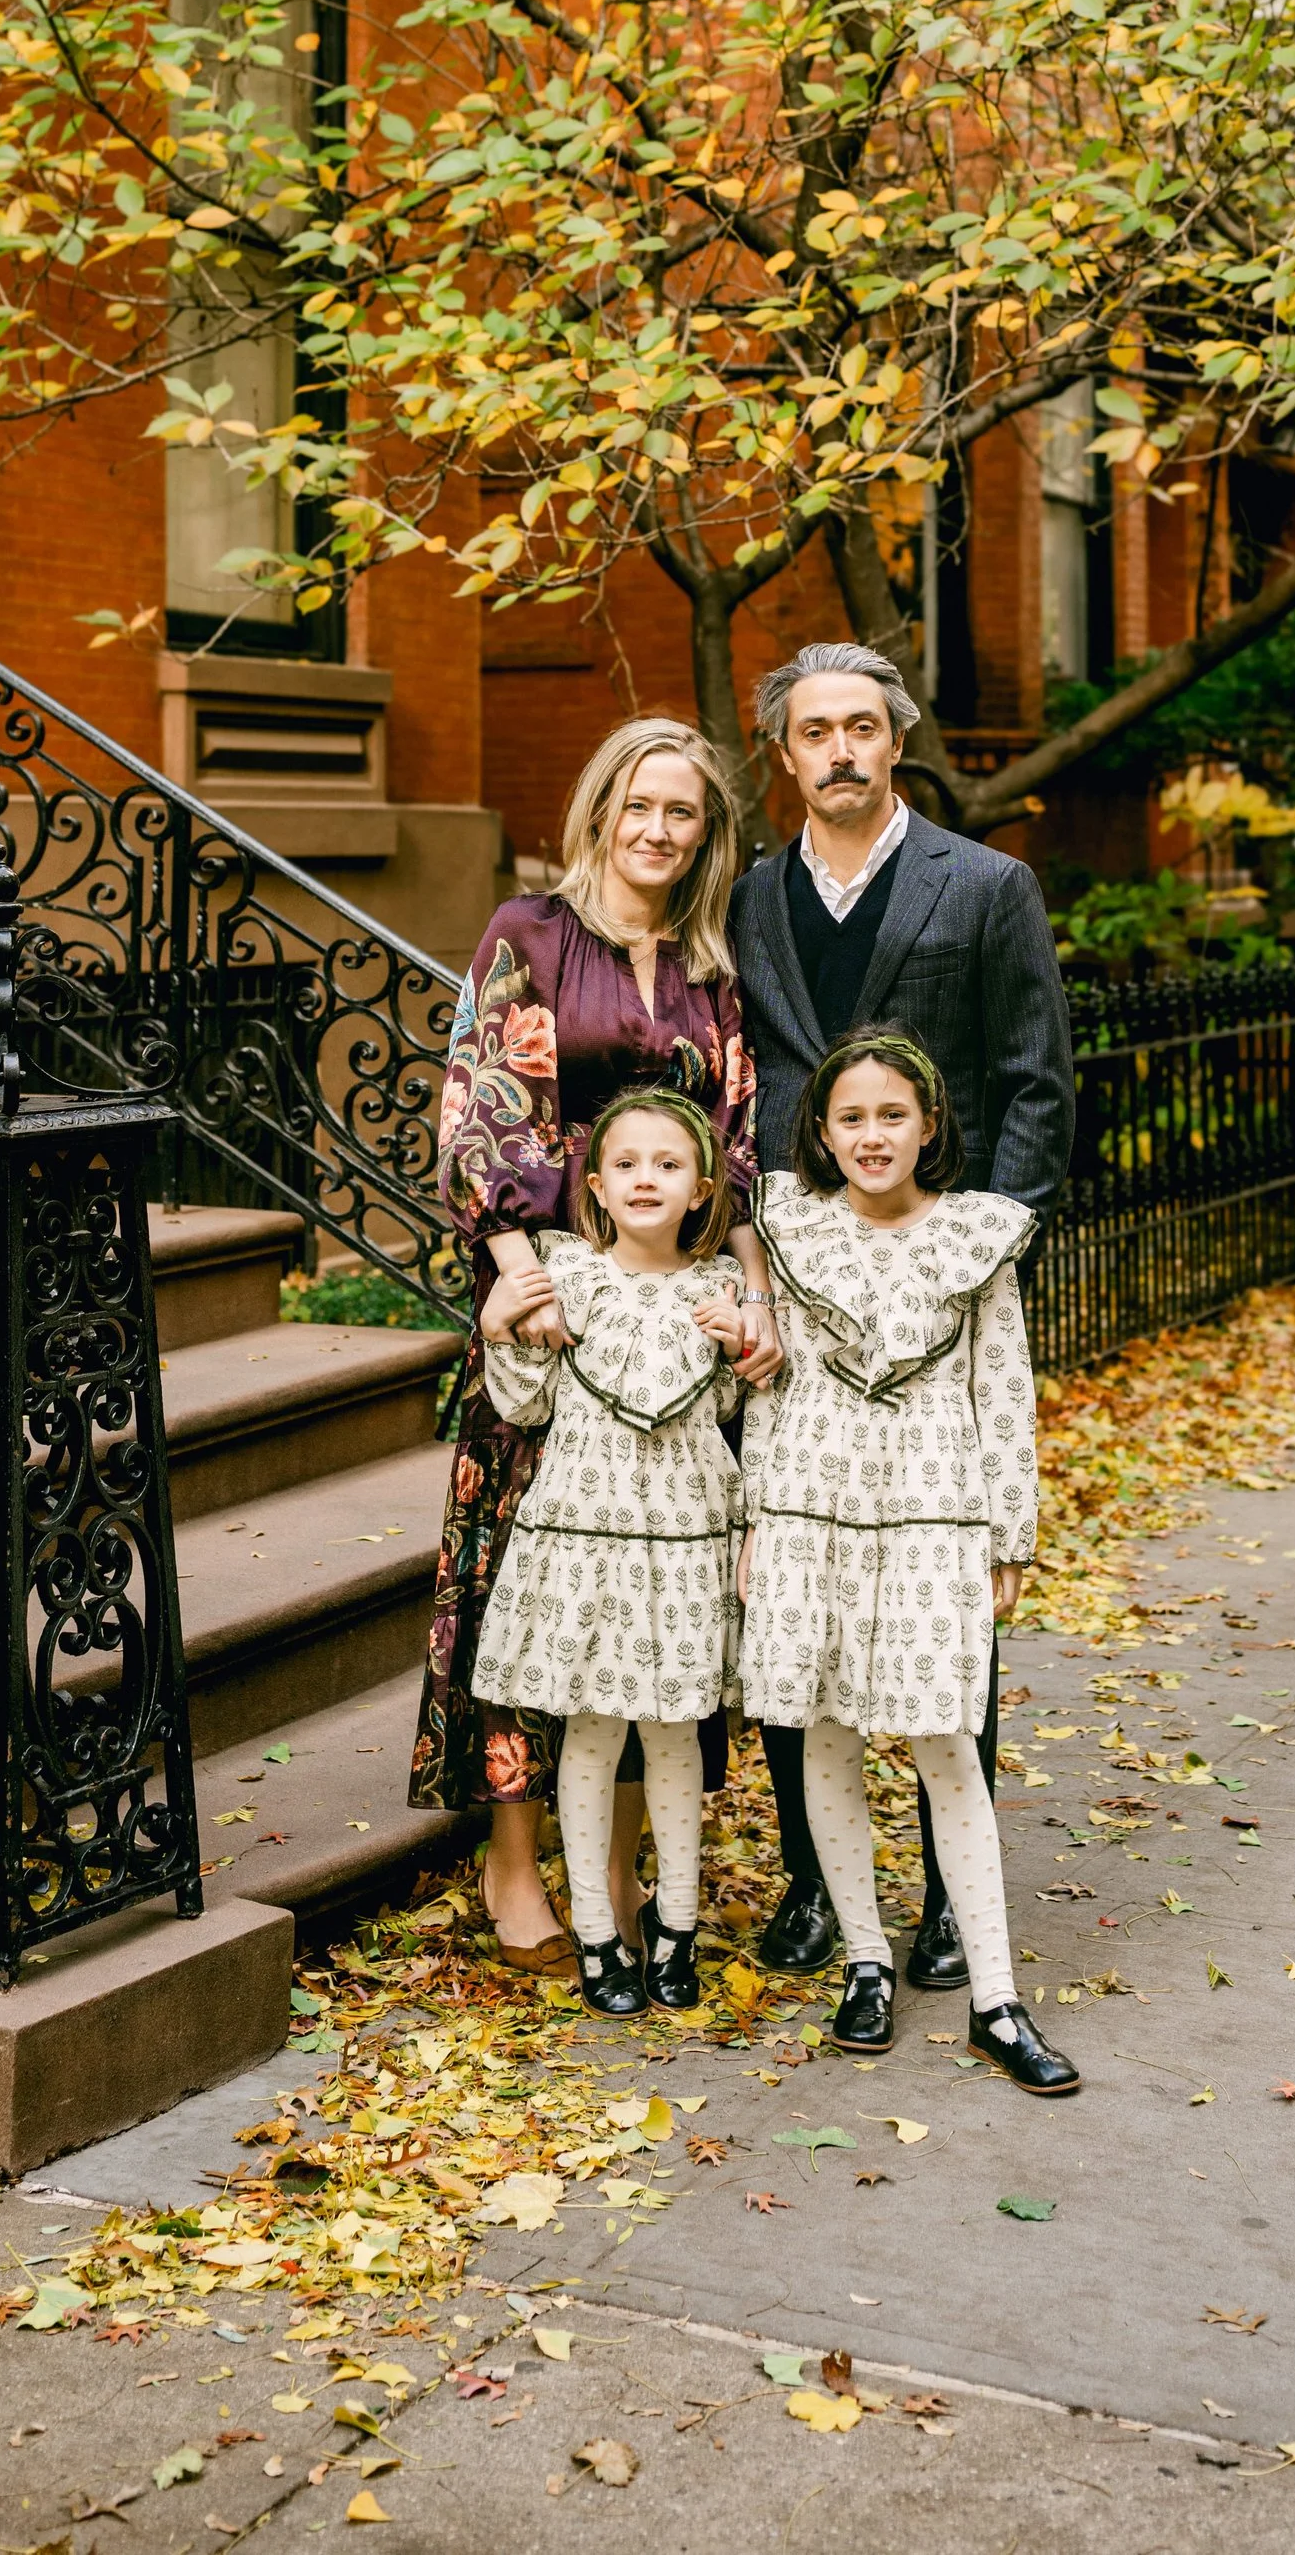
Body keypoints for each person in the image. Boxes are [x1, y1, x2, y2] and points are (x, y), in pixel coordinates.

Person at [728, 640, 1073, 1988]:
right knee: (796, 1600)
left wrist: (981, 1255)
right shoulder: (752, 895)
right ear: (786, 751)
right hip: (796, 1282)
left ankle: (945, 1899)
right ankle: (818, 1890)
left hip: (930, 1285)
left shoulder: (985, 885)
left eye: (864, 726)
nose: (842, 752)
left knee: (942, 1607)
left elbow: (1035, 1081)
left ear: (897, 737)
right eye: (816, 731)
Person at [409, 716, 777, 1967]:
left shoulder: (709, 975)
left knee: (653, 1612)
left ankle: (615, 1874)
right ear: (600, 808)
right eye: (639, 805)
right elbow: (480, 1116)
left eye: (683, 812)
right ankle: (516, 1868)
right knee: (530, 1598)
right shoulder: (531, 937)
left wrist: (753, 1294)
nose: (658, 830)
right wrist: (523, 1284)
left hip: (671, 1324)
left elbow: (732, 1150)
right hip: (548, 1310)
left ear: (706, 832)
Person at [740, 1028, 1078, 2094]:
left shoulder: (975, 1238)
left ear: (929, 1125)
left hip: (933, 1504)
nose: (872, 1135)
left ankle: (995, 1997)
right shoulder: (793, 1233)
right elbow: (767, 1386)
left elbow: (1004, 1391)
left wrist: (1008, 1529)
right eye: (851, 1118)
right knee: (827, 1734)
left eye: (893, 1115)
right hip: (810, 1502)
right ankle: (865, 1960)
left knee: (946, 1744)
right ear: (823, 1134)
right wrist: (755, 1521)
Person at [471, 1088, 749, 2015]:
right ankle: (595, 1928)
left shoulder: (724, 1294)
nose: (645, 1180)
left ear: (702, 1190)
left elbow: (731, 1414)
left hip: (680, 1543)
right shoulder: (564, 1275)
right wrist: (499, 1328)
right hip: (585, 1543)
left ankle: (675, 1923)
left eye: (668, 1166)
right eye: (626, 1164)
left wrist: (744, 1346)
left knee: (675, 1737)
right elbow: (525, 1403)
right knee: (589, 1735)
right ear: (594, 1185)